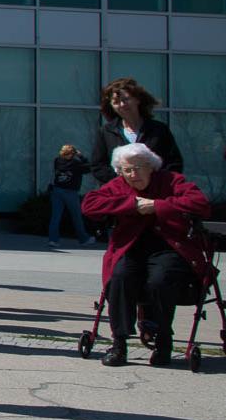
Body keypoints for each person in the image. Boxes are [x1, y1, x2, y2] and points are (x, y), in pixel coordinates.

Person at [81, 143, 210, 368]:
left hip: (170, 247)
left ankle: (163, 341)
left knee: (160, 280)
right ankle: (119, 343)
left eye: (139, 167)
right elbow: (90, 205)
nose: (133, 174)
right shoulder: (119, 185)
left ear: (151, 166)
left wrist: (158, 206)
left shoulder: (171, 181)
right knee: (119, 277)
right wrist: (132, 204)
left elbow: (200, 203)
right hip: (131, 248)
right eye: (127, 170)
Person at [90, 77, 182, 184]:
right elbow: (98, 166)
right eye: (116, 102)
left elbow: (174, 163)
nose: (122, 105)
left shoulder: (159, 129)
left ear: (137, 100)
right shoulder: (106, 131)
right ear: (111, 106)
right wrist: (124, 181)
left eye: (126, 99)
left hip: (155, 193)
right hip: (119, 194)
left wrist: (151, 181)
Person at [48, 144, 94, 247]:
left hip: (57, 190)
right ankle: (83, 238)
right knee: (76, 216)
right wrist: (81, 156)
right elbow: (89, 167)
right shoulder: (76, 163)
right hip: (71, 192)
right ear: (73, 154)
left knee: (55, 216)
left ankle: (53, 239)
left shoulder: (57, 161)